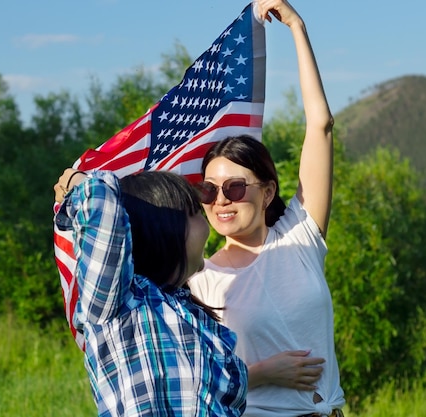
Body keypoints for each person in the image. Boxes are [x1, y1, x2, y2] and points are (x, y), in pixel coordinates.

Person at [187, 0, 345, 416]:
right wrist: (261, 373)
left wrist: (296, 26)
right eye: (209, 190)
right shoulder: (199, 279)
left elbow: (321, 126)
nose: (221, 199)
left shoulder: (301, 236)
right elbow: (193, 379)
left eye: (236, 187)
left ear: (268, 192)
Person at [53, 169, 248, 416]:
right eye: (195, 212)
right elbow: (101, 206)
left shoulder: (192, 315)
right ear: (165, 229)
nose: (206, 220)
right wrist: (77, 180)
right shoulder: (120, 304)